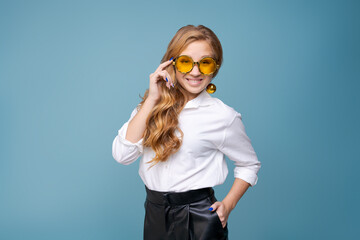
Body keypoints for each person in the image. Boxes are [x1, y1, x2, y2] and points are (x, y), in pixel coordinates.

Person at [112, 25, 261, 240]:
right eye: (186, 62)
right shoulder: (148, 107)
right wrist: (152, 100)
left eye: (205, 63)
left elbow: (250, 164)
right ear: (171, 63)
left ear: (215, 67)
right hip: (155, 213)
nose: (195, 71)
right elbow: (122, 156)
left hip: (200, 216)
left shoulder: (223, 116)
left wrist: (228, 205)